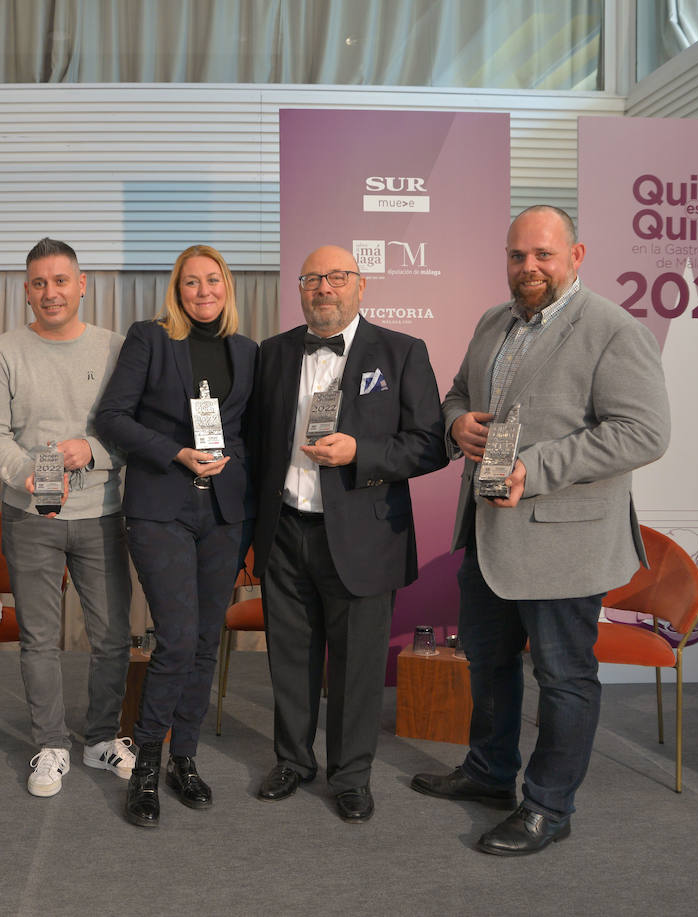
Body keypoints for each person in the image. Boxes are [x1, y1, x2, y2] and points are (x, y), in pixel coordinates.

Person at [411, 205, 670, 855]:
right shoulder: (493, 322)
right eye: (517, 255)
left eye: (543, 255)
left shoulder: (612, 328)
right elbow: (456, 394)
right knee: (490, 661)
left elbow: (644, 432)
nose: (528, 267)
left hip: (564, 538)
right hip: (489, 533)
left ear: (576, 257)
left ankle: (549, 806)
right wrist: (457, 424)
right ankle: (491, 771)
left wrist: (537, 467)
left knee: (562, 677)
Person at [249, 245, 447, 824]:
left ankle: (351, 775)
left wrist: (361, 451)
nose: (324, 288)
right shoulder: (273, 354)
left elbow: (431, 443)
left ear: (361, 286)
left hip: (365, 535)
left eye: (337, 277)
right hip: (285, 529)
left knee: (357, 665)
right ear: (301, 290)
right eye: (312, 279)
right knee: (290, 658)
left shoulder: (402, 352)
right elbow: (260, 446)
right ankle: (292, 759)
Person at [96, 244, 257, 827]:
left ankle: (183, 759)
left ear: (227, 286)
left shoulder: (246, 350)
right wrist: (178, 453)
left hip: (224, 514)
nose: (203, 292)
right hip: (160, 506)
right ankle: (145, 764)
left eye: (212, 281)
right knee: (179, 638)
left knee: (206, 640)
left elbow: (248, 435)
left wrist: (232, 474)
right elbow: (112, 417)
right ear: (177, 290)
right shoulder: (151, 338)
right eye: (191, 283)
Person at [0, 237, 134, 797]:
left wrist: (92, 451)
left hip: (102, 513)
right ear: (26, 290)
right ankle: (50, 746)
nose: (51, 292)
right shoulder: (1, 352)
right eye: (39, 283)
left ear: (82, 284)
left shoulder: (116, 348)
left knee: (113, 637)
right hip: (29, 516)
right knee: (39, 639)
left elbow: (134, 429)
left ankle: (100, 738)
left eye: (61, 280)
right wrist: (29, 476)